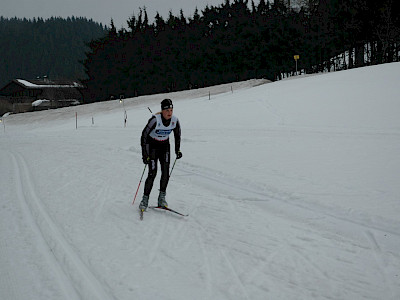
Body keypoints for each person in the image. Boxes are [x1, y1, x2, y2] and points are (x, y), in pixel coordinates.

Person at [139, 99, 182, 211]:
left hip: (164, 146)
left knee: (166, 172)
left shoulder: (175, 121)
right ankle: (145, 199)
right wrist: (145, 154)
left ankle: (161, 198)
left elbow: (177, 136)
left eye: (171, 110)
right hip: (152, 146)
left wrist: (177, 150)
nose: (169, 112)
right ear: (162, 111)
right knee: (152, 173)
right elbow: (144, 136)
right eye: (167, 110)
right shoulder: (154, 120)